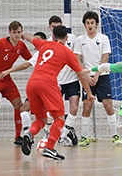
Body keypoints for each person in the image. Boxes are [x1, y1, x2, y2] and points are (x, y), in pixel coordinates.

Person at [21, 25, 95, 160]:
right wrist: (89, 93)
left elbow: (29, 38)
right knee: (59, 119)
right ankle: (49, 148)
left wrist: (22, 34)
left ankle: (29, 134)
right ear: (67, 38)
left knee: (41, 119)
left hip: (32, 83)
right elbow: (82, 76)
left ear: (53, 36)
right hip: (47, 84)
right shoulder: (67, 52)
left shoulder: (44, 43)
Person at [74, 11, 122, 146]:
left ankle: (115, 135)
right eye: (87, 23)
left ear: (97, 24)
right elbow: (77, 59)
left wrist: (96, 74)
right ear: (84, 25)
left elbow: (105, 58)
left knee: (108, 105)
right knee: (87, 105)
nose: (90, 25)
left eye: (92, 23)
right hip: (86, 78)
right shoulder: (79, 40)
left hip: (102, 76)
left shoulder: (103, 38)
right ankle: (84, 137)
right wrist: (86, 76)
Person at [0, 21, 32, 145]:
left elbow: (30, 59)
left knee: (19, 104)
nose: (16, 35)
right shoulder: (0, 43)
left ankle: (18, 137)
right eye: (14, 32)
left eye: (19, 32)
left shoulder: (21, 46)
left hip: (6, 78)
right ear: (9, 33)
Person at [0, 32, 52, 138]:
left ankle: (44, 134)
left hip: (49, 86)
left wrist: (8, 71)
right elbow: (27, 63)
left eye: (37, 39)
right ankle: (29, 135)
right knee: (25, 109)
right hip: (39, 86)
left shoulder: (44, 52)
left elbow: (26, 64)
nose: (34, 41)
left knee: (49, 114)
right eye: (34, 39)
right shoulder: (41, 53)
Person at [47, 15, 80, 146]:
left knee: (74, 107)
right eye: (54, 27)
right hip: (57, 82)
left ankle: (64, 134)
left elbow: (77, 57)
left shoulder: (71, 38)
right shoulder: (48, 43)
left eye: (59, 26)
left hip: (72, 80)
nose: (56, 29)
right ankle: (50, 133)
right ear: (50, 28)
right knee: (52, 112)